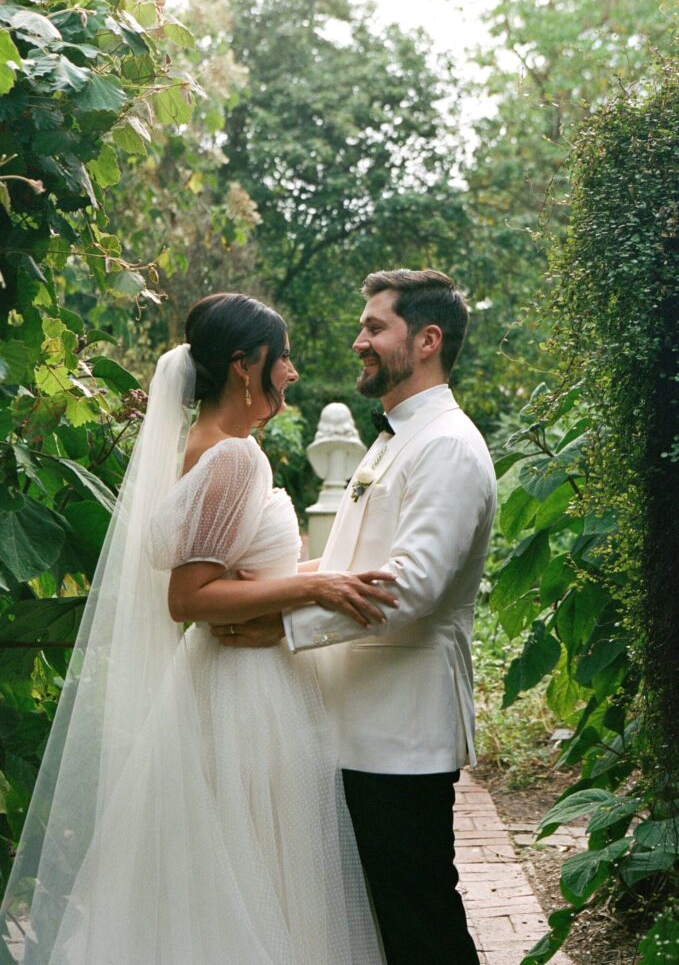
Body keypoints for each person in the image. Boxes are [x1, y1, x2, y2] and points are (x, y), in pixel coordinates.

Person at [0, 293, 395, 964]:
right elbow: (189, 598)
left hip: (231, 680)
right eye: (282, 356)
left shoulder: (209, 448)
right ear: (245, 365)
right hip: (246, 695)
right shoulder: (232, 456)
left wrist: (314, 574)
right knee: (262, 871)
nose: (291, 371)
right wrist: (314, 585)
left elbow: (232, 575)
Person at [212, 270, 497, 965]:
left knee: (419, 923)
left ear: (427, 340)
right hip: (355, 725)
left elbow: (411, 588)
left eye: (375, 328)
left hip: (398, 733)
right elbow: (348, 559)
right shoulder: (393, 439)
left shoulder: (448, 447)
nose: (358, 341)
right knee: (380, 925)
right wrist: (272, 587)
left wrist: (281, 625)